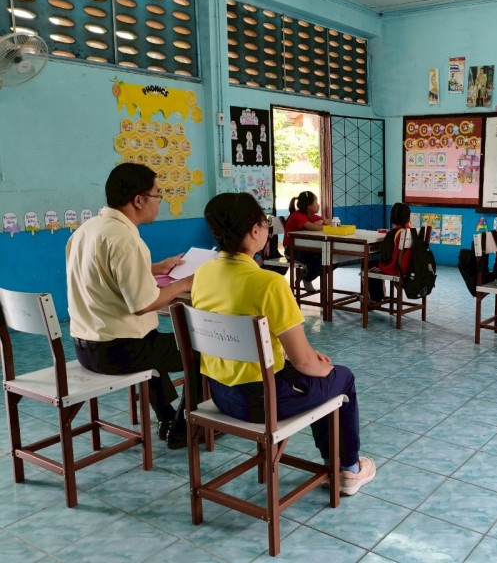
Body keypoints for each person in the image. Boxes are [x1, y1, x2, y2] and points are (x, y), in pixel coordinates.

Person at [193, 192, 376, 496]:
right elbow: (304, 362)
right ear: (255, 230)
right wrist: (319, 367)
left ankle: (338, 464)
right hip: (262, 402)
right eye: (265, 223)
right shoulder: (269, 283)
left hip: (221, 395)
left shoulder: (203, 274)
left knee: (316, 374)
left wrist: (304, 361)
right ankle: (348, 469)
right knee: (341, 378)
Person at [66, 163, 197, 449]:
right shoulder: (125, 238)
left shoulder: (87, 229)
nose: (159, 202)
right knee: (200, 351)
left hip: (85, 347)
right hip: (120, 352)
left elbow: (103, 273)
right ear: (139, 200)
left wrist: (156, 267)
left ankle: (166, 417)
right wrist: (183, 284)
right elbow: (143, 305)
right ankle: (184, 428)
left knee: (154, 341)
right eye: (157, 195)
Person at [283, 190, 329, 293]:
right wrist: (321, 224)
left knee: (331, 260)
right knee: (318, 264)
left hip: (306, 249)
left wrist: (323, 222)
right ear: (309, 206)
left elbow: (328, 221)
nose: (318, 205)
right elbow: (314, 227)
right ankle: (307, 278)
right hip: (292, 251)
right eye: (316, 202)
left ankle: (306, 275)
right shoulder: (297, 216)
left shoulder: (311, 216)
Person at [368, 203, 412, 302]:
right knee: (374, 264)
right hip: (409, 268)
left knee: (368, 265)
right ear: (408, 218)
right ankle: (377, 296)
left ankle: (375, 298)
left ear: (391, 218)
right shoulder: (411, 231)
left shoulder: (392, 233)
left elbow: (385, 257)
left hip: (395, 269)